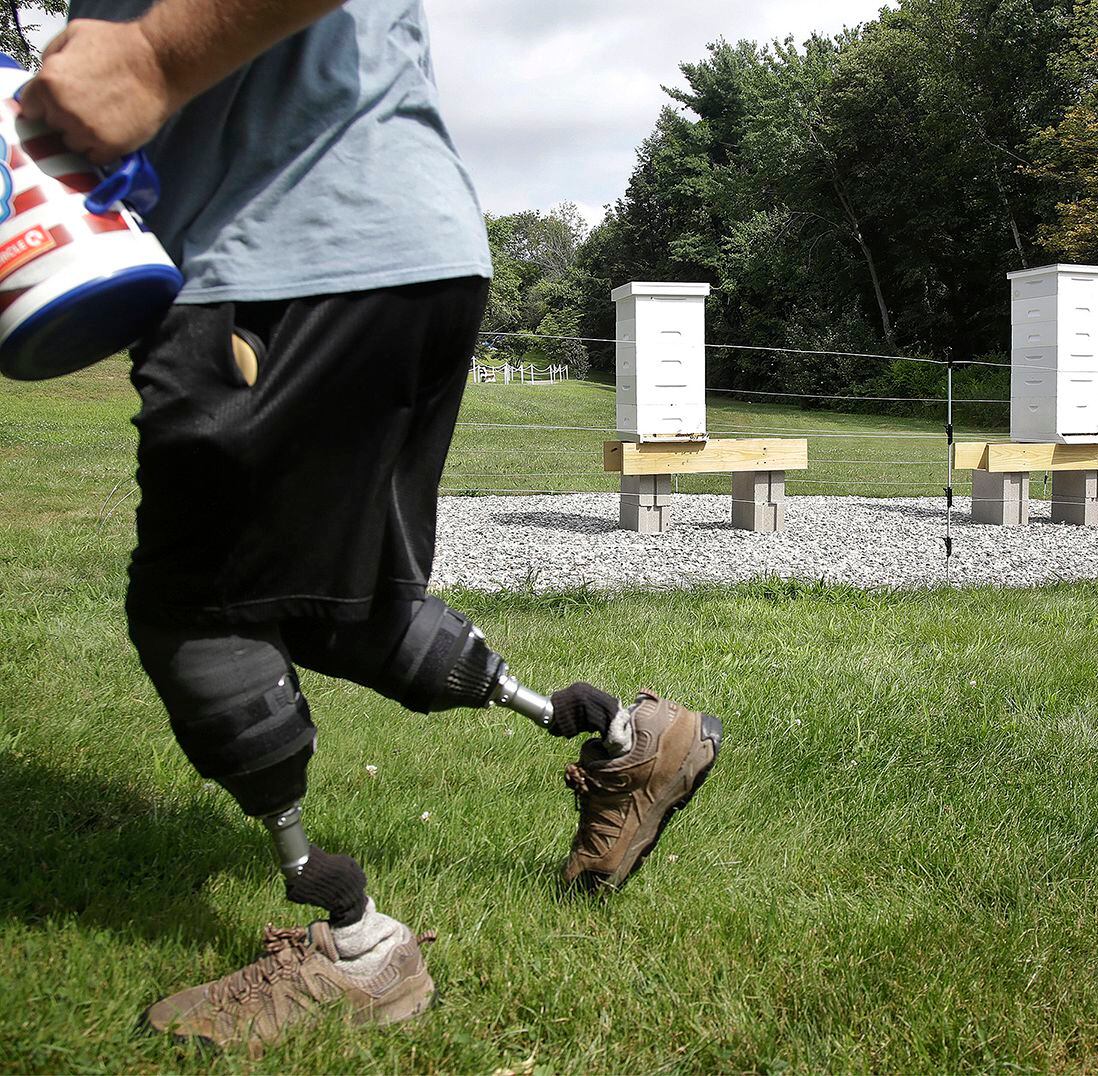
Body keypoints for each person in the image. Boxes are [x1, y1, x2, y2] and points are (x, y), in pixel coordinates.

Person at [21, 0, 720, 1056]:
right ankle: (629, 737)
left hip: (287, 261)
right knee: (333, 601)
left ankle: (354, 943)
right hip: (393, 246)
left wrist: (152, 53)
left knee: (197, 608)